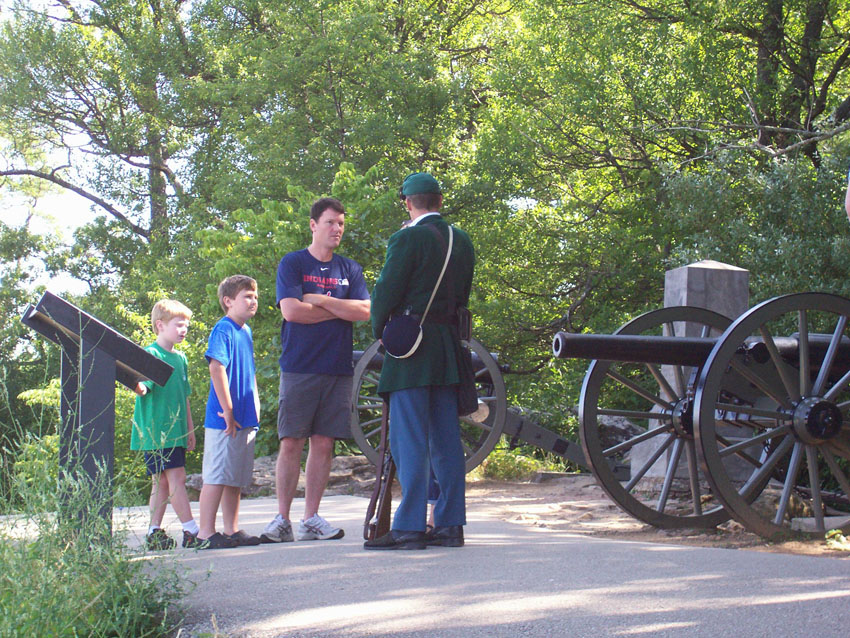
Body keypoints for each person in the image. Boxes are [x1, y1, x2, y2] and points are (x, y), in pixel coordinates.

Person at [364, 172, 475, 550]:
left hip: (412, 347)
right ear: (439, 202)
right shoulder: (462, 241)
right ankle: (449, 524)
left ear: (408, 203)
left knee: (408, 439)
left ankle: (410, 526)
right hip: (447, 347)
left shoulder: (407, 237)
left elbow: (385, 292)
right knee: (446, 439)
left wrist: (381, 330)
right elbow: (462, 294)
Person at [261, 197, 371, 543]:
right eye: (329, 223)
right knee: (291, 441)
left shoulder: (349, 270)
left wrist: (321, 300)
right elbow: (292, 312)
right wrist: (342, 309)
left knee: (324, 443)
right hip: (300, 366)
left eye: (340, 223)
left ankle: (311, 517)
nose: (336, 229)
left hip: (338, 368)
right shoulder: (293, 264)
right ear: (313, 225)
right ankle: (282, 519)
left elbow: (366, 311)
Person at [196, 275, 262, 549]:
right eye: (247, 296)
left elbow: (248, 373)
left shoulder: (245, 332)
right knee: (217, 475)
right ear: (228, 301)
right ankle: (205, 534)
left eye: (255, 297)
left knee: (234, 476)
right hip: (225, 418)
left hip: (245, 416)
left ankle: (231, 529)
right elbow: (216, 367)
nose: (253, 301)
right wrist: (228, 408)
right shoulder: (223, 329)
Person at [132, 299, 199, 550]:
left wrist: (189, 429)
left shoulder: (181, 358)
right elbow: (142, 388)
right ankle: (192, 531)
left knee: (161, 482)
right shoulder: (150, 354)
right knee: (177, 478)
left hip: (177, 431)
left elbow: (184, 396)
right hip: (156, 431)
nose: (183, 330)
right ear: (160, 325)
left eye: (186, 326)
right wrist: (131, 381)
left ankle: (154, 531)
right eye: (178, 325)